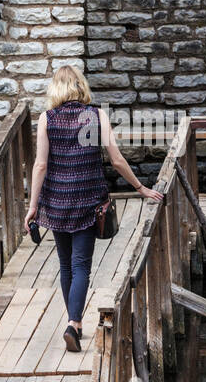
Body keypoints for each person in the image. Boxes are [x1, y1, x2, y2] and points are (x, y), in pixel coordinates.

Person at [23, 66, 163, 352]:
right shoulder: (96, 115)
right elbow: (117, 160)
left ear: (56, 90)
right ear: (80, 86)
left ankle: (74, 324)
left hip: (57, 202)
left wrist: (33, 206)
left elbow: (40, 165)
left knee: (65, 265)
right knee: (81, 265)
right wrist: (140, 188)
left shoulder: (46, 119)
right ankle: (74, 324)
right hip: (88, 201)